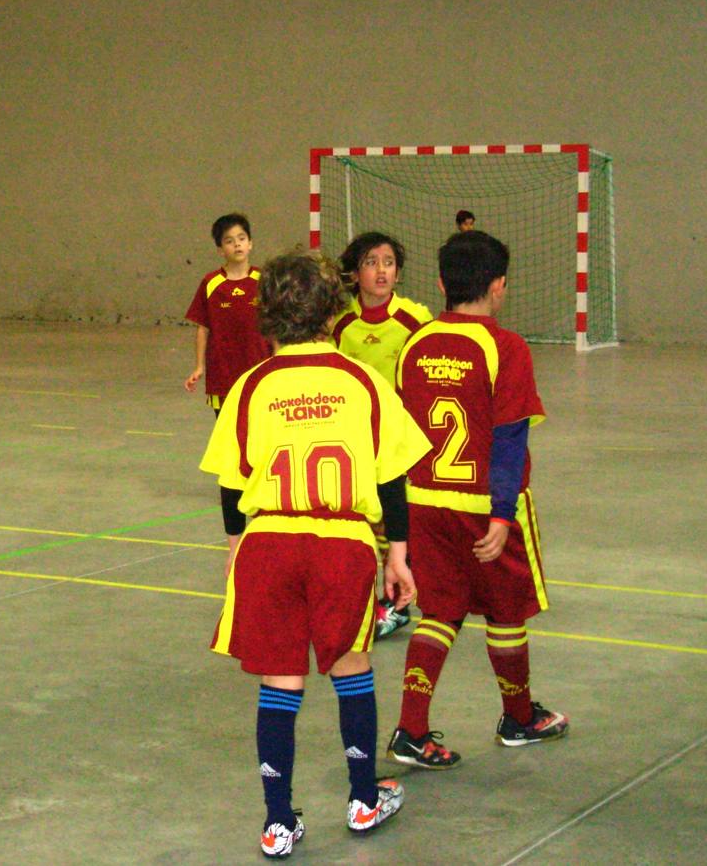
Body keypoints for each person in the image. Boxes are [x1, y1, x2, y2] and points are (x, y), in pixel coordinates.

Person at [201, 249, 431, 857]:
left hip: (269, 542)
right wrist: (399, 556)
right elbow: (391, 479)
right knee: (350, 667)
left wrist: (234, 550)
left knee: (280, 679)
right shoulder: (363, 382)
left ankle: (278, 821)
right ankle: (362, 799)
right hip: (341, 543)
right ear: (335, 309)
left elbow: (230, 483)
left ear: (265, 314)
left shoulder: (251, 386)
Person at [385, 230, 569, 772]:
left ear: (441, 283)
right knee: (507, 612)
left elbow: (397, 439)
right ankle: (518, 718)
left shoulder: (413, 345)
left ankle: (410, 731)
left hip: (423, 503)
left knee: (439, 611)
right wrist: (501, 512)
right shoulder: (505, 347)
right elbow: (511, 438)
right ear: (498, 286)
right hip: (482, 505)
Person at [334, 232, 432, 641]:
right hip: (355, 441)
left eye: (388, 262)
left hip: (399, 440)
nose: (381, 270)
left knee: (400, 522)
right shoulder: (339, 324)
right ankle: (375, 601)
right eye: (371, 262)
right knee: (363, 524)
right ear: (355, 273)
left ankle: (401, 598)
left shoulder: (415, 318)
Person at [184, 213, 272, 574]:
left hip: (262, 381)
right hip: (224, 382)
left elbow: (276, 326)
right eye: (229, 240)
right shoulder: (210, 284)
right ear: (220, 248)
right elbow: (202, 328)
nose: (237, 245)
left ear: (250, 243)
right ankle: (236, 541)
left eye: (242, 238)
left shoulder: (264, 281)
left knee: (265, 450)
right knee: (233, 456)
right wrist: (200, 366)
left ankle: (266, 519)